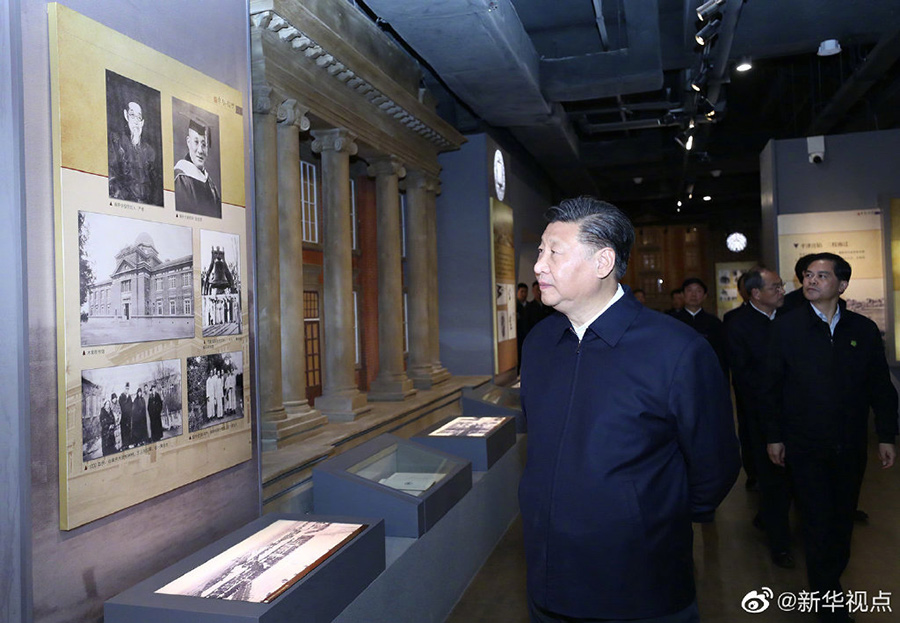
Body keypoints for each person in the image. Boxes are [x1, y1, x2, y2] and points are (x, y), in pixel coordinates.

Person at [519, 196, 739, 623]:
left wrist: (649, 519)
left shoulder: (677, 349)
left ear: (603, 262)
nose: (539, 266)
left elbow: (715, 463)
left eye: (554, 253)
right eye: (541, 251)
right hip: (548, 574)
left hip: (639, 582)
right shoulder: (540, 343)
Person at [763, 252, 898, 623]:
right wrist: (774, 435)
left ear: (842, 284)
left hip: (850, 443)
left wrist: (887, 434)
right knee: (817, 519)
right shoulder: (787, 328)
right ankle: (828, 599)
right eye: (808, 274)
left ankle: (830, 582)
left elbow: (880, 386)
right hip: (804, 443)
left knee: (842, 520)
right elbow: (770, 388)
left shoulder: (862, 330)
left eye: (821, 276)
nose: (811, 280)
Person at [725, 266, 794, 568]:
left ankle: (771, 519)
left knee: (797, 478)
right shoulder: (738, 323)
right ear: (755, 293)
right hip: (761, 414)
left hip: (798, 412)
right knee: (773, 479)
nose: (782, 291)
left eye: (781, 285)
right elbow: (743, 375)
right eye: (775, 287)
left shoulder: (792, 317)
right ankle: (780, 545)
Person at [108, 101, 163, 206]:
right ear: (126, 116)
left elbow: (156, 184)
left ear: (142, 122)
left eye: (139, 117)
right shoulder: (116, 140)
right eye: (132, 115)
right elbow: (112, 177)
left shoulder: (149, 151)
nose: (136, 122)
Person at [673, 278, 728, 375]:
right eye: (689, 290)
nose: (693, 295)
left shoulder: (714, 323)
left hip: (708, 372)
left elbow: (721, 354)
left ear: (705, 296)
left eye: (698, 291)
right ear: (682, 295)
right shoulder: (673, 322)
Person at [174, 118, 221, 218]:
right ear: (188, 142)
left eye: (204, 144)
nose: (200, 150)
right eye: (196, 142)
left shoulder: (211, 185)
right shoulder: (181, 178)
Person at [516, 282, 529, 371]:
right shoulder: (515, 306)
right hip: (518, 339)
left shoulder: (530, 307)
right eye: (522, 292)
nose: (524, 294)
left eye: (525, 292)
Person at [119, 383, 134, 449]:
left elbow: (131, 406)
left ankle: (129, 443)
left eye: (128, 389)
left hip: (129, 416)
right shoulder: (121, 396)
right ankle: (124, 444)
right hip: (123, 417)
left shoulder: (129, 397)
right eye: (126, 389)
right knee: (124, 430)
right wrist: (126, 399)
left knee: (129, 430)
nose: (127, 390)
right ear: (124, 389)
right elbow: (121, 406)